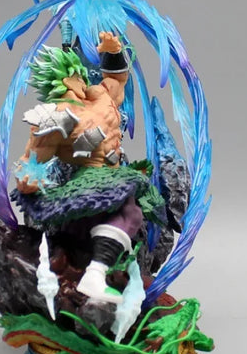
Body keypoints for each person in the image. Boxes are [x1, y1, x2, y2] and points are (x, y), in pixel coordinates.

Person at [14, 33, 166, 304]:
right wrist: (27, 180)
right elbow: (33, 157)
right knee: (129, 213)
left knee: (133, 213)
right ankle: (94, 276)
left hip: (115, 172)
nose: (83, 77)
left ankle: (102, 274)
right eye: (77, 74)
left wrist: (113, 52)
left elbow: (117, 80)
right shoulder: (58, 114)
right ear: (66, 78)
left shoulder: (100, 96)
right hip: (89, 177)